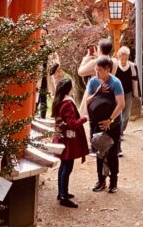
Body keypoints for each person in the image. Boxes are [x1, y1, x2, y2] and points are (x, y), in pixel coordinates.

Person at [82, 56, 126, 194]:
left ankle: (113, 181)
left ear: (108, 70)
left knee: (112, 154)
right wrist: (98, 91)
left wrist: (110, 120)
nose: (96, 72)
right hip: (97, 124)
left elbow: (121, 104)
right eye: (96, 69)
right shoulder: (94, 82)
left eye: (99, 70)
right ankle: (101, 180)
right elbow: (88, 101)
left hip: (113, 124)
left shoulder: (116, 83)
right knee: (99, 153)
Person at [52, 78, 88, 208]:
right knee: (67, 167)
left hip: (62, 138)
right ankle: (63, 196)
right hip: (68, 140)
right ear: (69, 89)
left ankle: (62, 192)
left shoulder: (59, 101)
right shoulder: (67, 103)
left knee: (64, 166)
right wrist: (84, 118)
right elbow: (72, 124)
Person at [114, 46, 141, 156]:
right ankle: (119, 132)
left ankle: (121, 130)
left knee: (127, 112)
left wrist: (137, 94)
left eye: (125, 58)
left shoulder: (132, 67)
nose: (124, 61)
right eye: (122, 58)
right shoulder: (115, 67)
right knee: (118, 112)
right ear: (119, 57)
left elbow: (136, 80)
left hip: (129, 92)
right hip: (117, 93)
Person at [37, 46, 60, 119]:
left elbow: (56, 60)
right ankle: (33, 114)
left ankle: (42, 115)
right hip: (38, 76)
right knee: (37, 95)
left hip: (46, 76)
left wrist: (55, 66)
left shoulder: (50, 47)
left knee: (44, 96)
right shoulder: (35, 46)